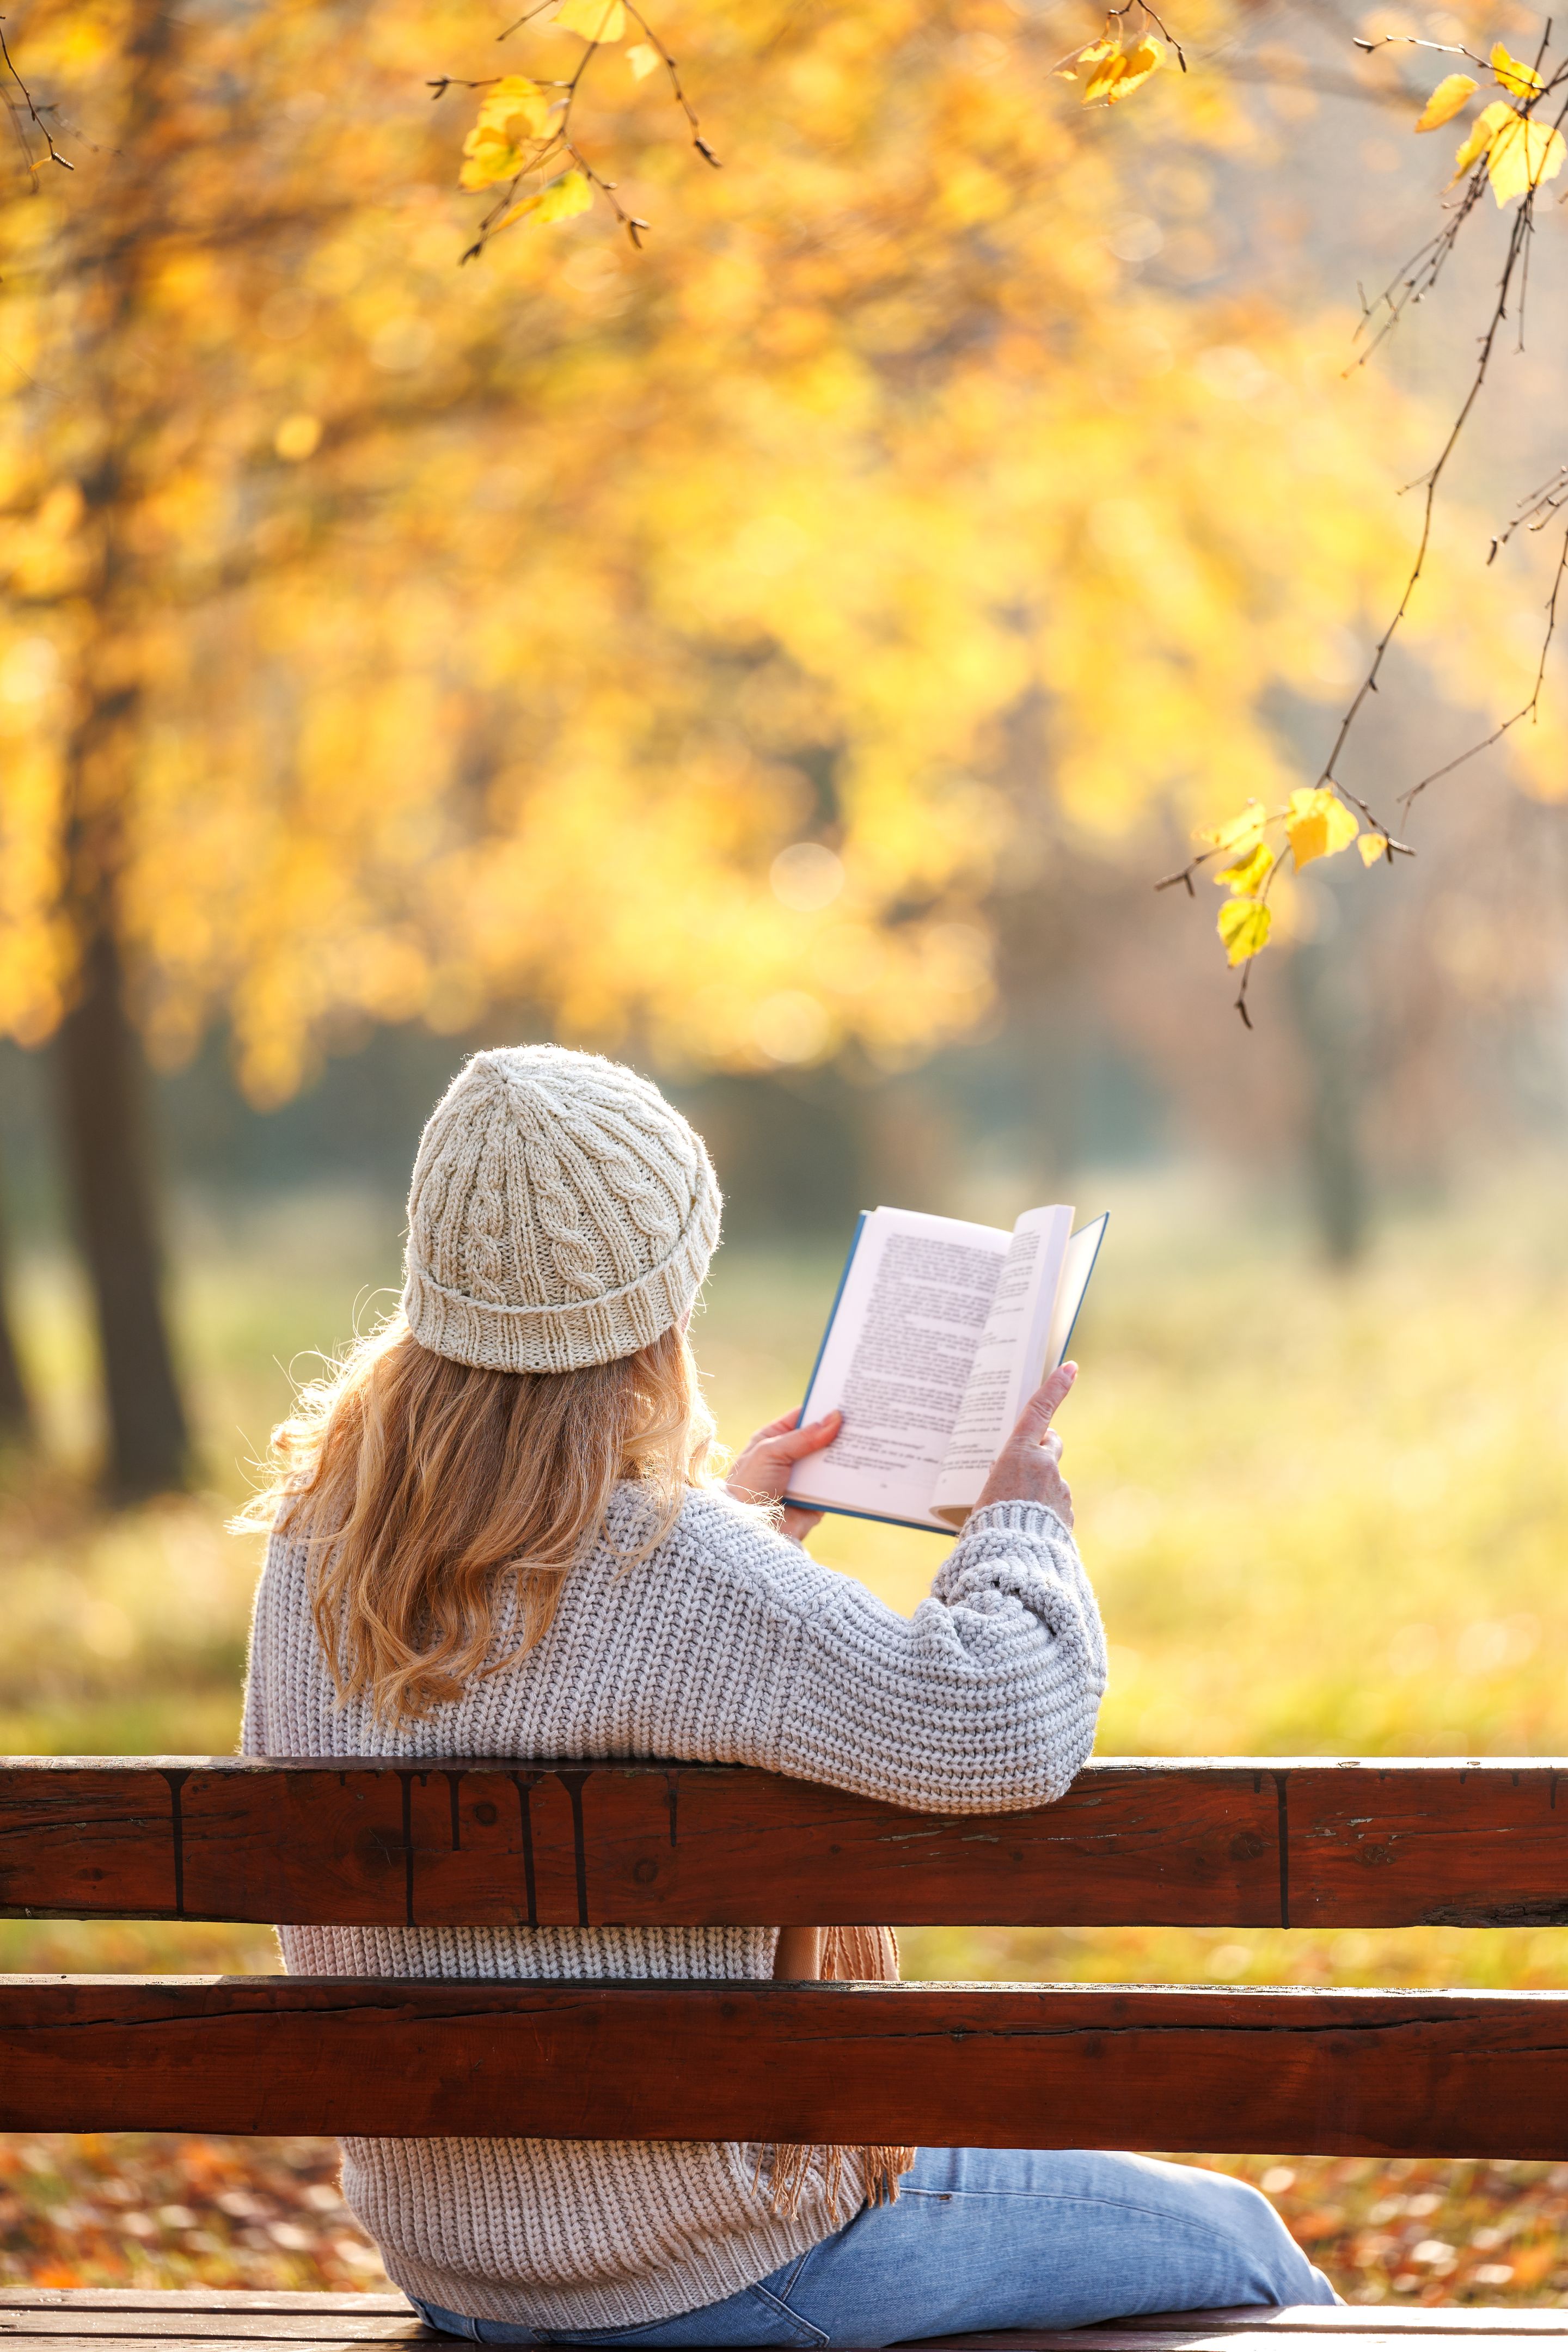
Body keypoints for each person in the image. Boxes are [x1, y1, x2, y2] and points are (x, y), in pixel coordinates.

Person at [240, 1045, 1333, 2347]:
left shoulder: (322, 1547)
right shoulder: (671, 1568)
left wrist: (741, 1525)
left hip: (456, 2266)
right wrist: (1021, 1521)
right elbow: (1006, 1723)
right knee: (1244, 2246)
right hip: (711, 2267)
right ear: (656, 1309)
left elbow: (547, 1655)